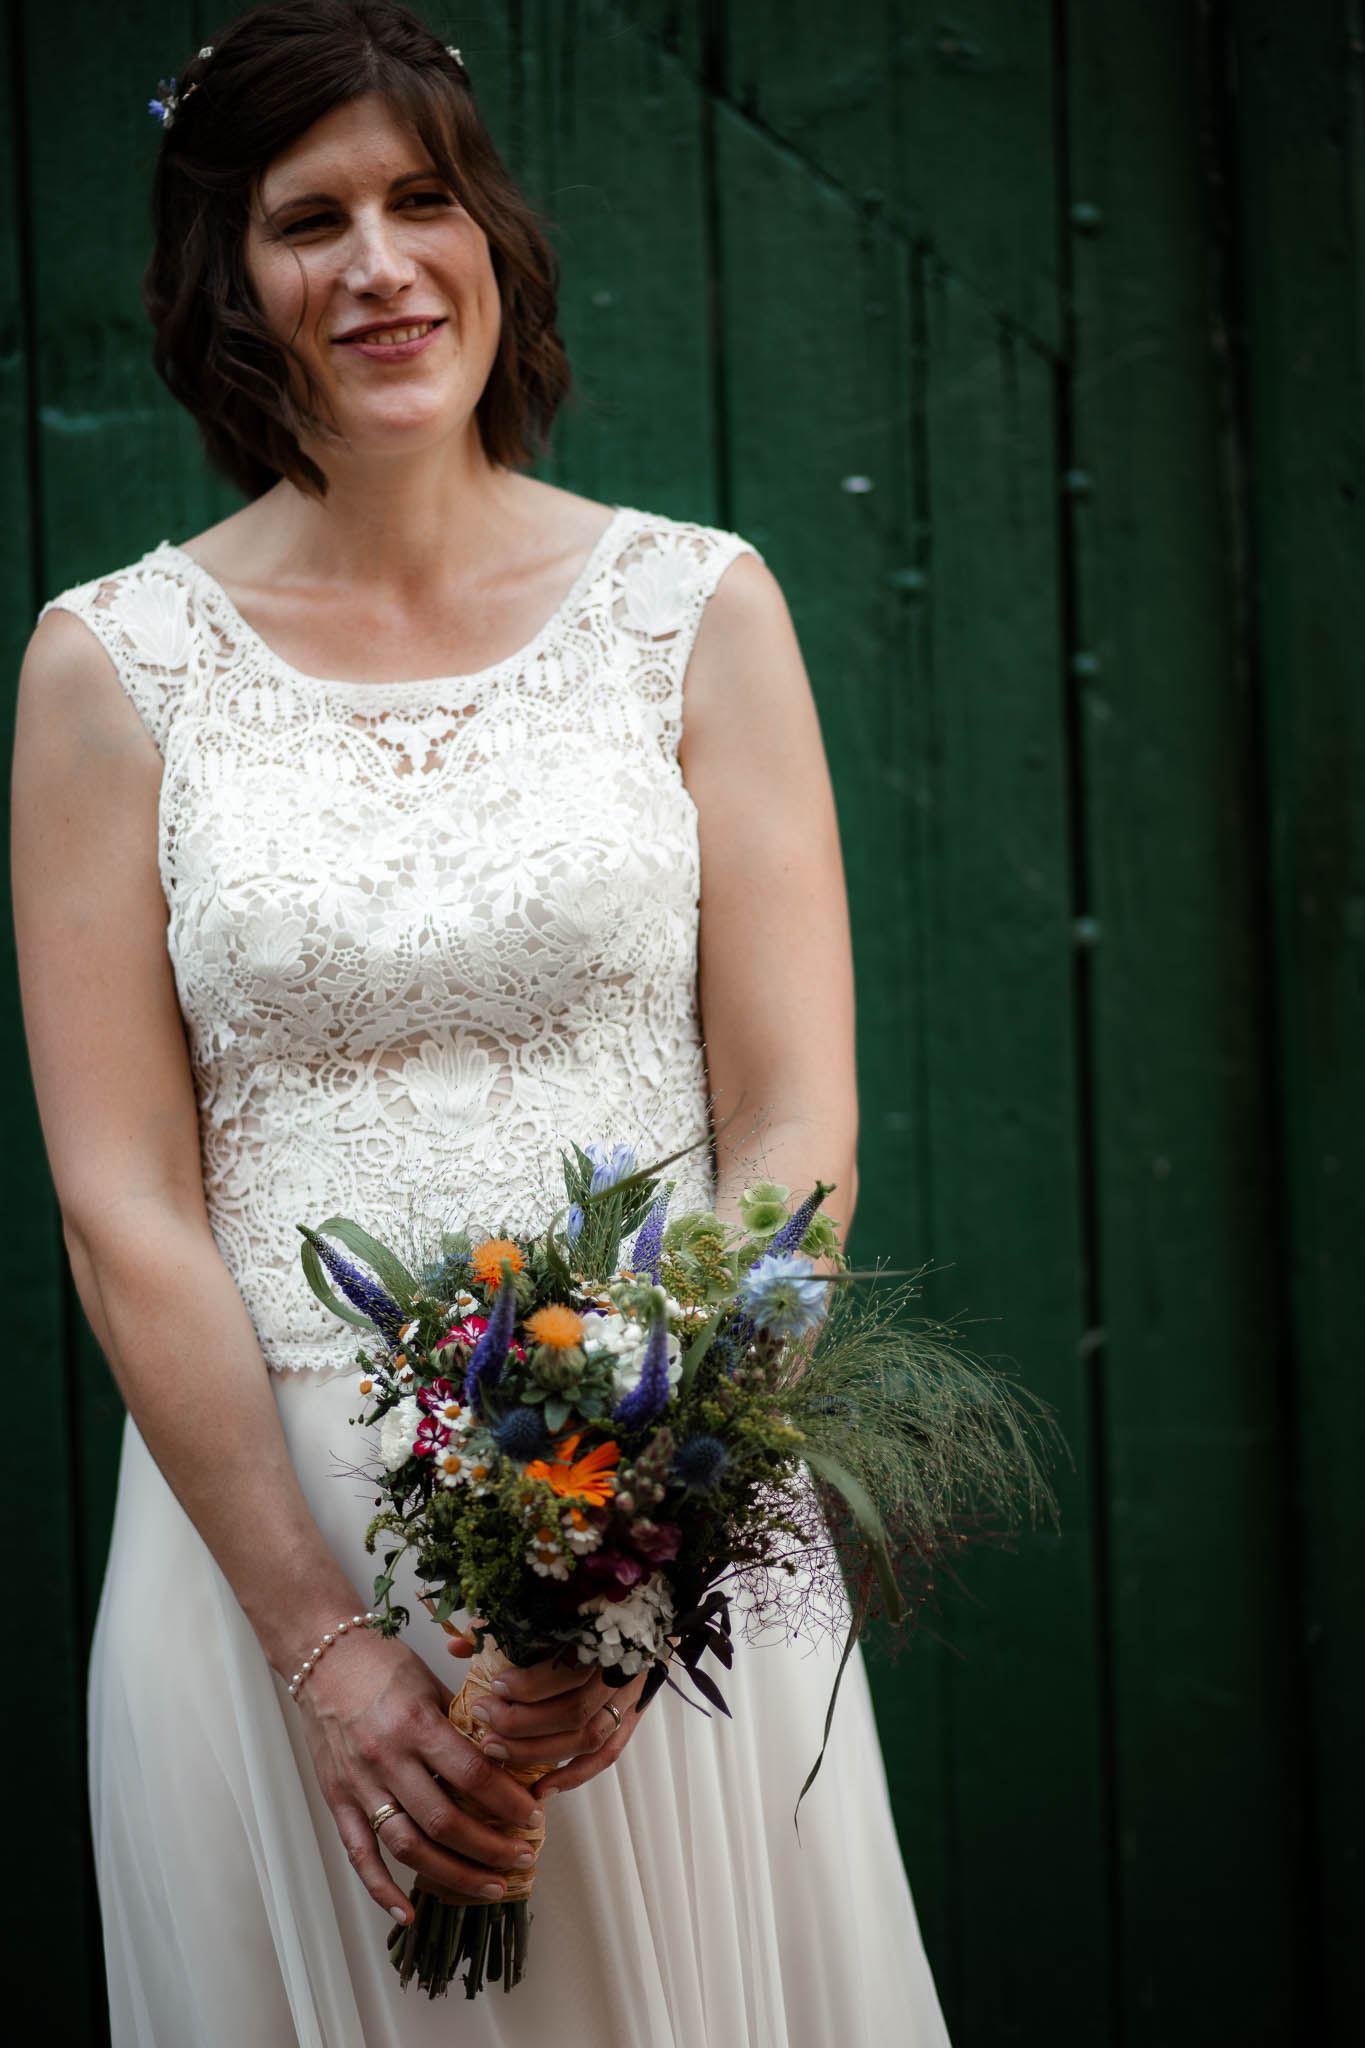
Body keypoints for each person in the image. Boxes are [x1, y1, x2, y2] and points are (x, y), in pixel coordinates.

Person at [11, 4, 951, 2043]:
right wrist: (325, 1648)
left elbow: (794, 1116)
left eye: (418, 199)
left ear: (492, 240)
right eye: (305, 217)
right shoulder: (107, 668)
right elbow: (121, 1204)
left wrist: (644, 1549)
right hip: (267, 1547)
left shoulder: (695, 608)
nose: (375, 263)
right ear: (224, 279)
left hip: (662, 1547)